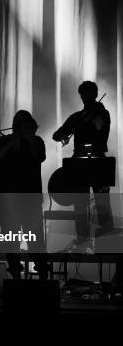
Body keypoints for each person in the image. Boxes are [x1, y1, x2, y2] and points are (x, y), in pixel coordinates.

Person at [52, 80, 114, 250]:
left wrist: (94, 119)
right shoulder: (77, 117)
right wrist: (65, 134)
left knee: (103, 200)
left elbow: (102, 130)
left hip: (98, 160)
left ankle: (106, 238)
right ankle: (82, 238)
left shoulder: (103, 113)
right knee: (80, 201)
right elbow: (56, 135)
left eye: (88, 93)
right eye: (83, 94)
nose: (85, 97)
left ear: (95, 94)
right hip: (79, 161)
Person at [0, 110, 48, 280]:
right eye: (24, 125)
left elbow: (40, 156)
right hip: (9, 201)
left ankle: (42, 272)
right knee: (11, 239)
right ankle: (15, 272)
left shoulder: (36, 141)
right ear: (17, 126)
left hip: (31, 199)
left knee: (35, 238)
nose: (28, 128)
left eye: (30, 125)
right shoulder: (4, 141)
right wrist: (10, 143)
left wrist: (29, 139)